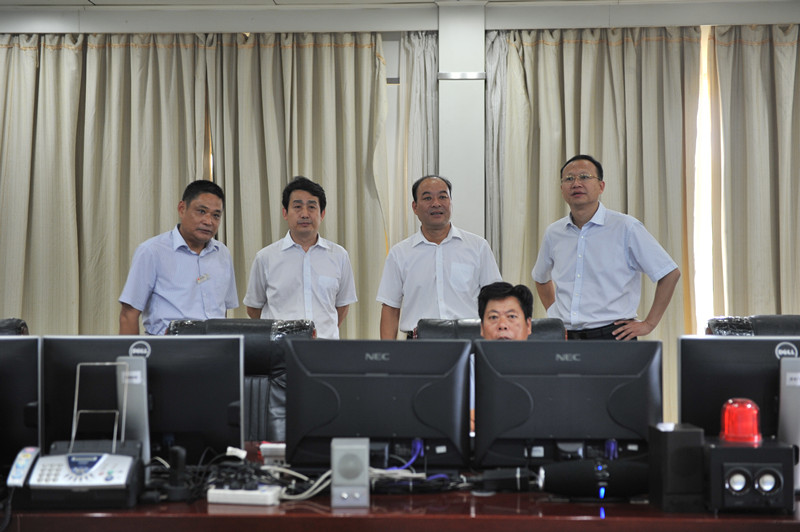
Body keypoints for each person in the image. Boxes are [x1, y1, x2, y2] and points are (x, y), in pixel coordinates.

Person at [532, 154, 681, 340]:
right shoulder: (554, 233)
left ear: (601, 186)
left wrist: (649, 324)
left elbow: (669, 273)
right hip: (567, 338)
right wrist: (555, 315)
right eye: (569, 179)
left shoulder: (626, 227)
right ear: (562, 189)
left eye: (584, 177)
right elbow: (540, 278)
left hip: (614, 336)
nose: (576, 183)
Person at [377, 175, 502, 339]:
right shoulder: (399, 253)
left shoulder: (478, 247)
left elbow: (495, 301)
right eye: (427, 198)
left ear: (451, 202)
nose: (436, 203)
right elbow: (390, 308)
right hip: (419, 343)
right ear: (415, 207)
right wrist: (388, 352)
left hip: (469, 340)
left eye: (443, 197)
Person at [119, 180, 238, 335]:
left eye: (216, 215)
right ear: (182, 209)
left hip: (215, 345)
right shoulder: (152, 251)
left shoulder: (222, 253)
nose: (208, 221)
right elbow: (129, 314)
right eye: (201, 211)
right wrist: (135, 351)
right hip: (168, 346)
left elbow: (223, 309)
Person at [243, 176, 357, 339]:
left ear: (322, 214)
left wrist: (323, 332)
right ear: (285, 213)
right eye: (297, 207)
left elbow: (343, 306)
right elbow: (253, 308)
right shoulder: (265, 258)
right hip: (280, 348)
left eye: (311, 207)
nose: (304, 214)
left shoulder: (339, 256)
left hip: (326, 347)